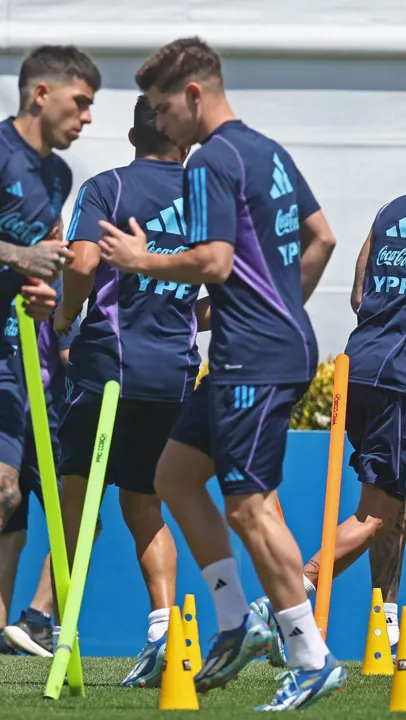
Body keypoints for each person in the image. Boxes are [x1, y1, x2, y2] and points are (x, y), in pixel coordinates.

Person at [97, 37, 341, 712]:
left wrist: (142, 262)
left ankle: (309, 655)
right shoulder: (268, 149)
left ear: (195, 95)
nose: (162, 123)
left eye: (163, 108)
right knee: (173, 475)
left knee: (249, 504)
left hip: (252, 356)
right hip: (264, 342)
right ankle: (237, 621)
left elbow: (215, 261)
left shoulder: (209, 159)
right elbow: (322, 237)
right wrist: (277, 298)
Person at [251, 120, 406, 670]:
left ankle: (385, 631)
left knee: (403, 504)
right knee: (378, 512)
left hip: (354, 366)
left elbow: (361, 295)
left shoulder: (390, 211)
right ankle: (282, 603)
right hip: (401, 374)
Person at [52, 94, 203, 688]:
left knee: (73, 494)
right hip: (173, 375)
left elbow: (83, 263)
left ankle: (56, 627)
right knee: (143, 500)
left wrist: (65, 318)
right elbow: (227, 281)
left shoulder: (108, 185)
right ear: (183, 138)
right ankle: (164, 631)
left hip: (108, 367)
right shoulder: (207, 199)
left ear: (135, 133)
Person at [0, 45, 100, 535]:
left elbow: (37, 271)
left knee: (6, 494)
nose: (86, 117)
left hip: (10, 356)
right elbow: (24, 254)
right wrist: (20, 256)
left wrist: (42, 298)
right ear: (41, 94)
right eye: (79, 102)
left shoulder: (58, 175)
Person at [0, 281, 79, 657]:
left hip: (12, 418)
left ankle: (15, 630)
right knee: (80, 523)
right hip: (45, 421)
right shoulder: (59, 281)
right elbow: (69, 355)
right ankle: (37, 619)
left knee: (9, 532)